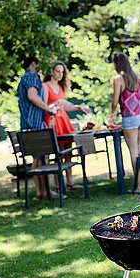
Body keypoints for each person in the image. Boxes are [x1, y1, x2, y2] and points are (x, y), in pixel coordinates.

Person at [42, 60, 92, 191]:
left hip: (64, 122)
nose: (60, 74)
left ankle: (70, 182)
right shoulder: (45, 86)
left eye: (62, 72)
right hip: (53, 123)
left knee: (68, 152)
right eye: (57, 71)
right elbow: (44, 106)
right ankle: (59, 185)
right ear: (51, 71)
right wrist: (55, 104)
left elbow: (63, 106)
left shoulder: (59, 87)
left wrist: (78, 107)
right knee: (57, 153)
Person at [107, 52, 140, 194]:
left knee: (134, 152)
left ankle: (139, 187)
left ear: (116, 64)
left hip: (129, 117)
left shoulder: (119, 79)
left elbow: (115, 101)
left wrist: (112, 113)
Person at [16, 55, 59, 199]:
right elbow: (32, 96)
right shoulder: (32, 76)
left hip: (27, 125)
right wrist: (49, 109)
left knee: (37, 159)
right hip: (35, 125)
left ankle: (41, 192)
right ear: (33, 64)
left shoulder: (24, 78)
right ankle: (45, 192)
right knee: (43, 158)